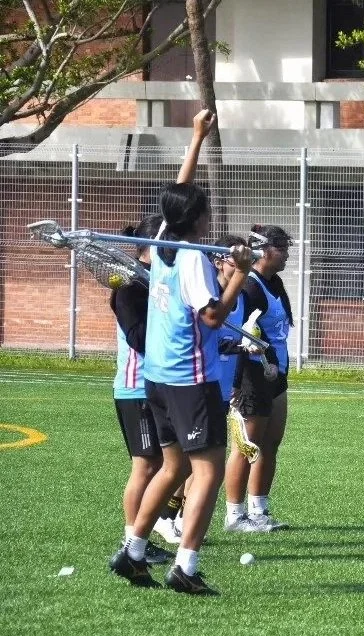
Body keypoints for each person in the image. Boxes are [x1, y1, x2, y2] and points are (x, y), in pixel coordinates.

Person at [109, 109, 255, 594]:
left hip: (156, 378)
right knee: (207, 470)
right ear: (197, 218)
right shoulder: (192, 257)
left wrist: (196, 137)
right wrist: (240, 273)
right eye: (206, 212)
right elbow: (212, 317)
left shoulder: (161, 239)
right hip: (189, 380)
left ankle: (132, 551)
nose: (211, 217)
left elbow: (177, 191)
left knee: (174, 467)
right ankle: (185, 567)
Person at [110, 216, 172, 565]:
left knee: (160, 462)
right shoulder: (130, 287)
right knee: (145, 465)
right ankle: (132, 540)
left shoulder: (158, 281)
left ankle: (141, 537)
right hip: (136, 388)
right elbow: (139, 338)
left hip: (158, 385)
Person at [224, 224, 293, 532]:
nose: (287, 254)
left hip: (276, 375)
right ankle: (234, 515)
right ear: (264, 251)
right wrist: (236, 383)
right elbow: (241, 336)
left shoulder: (274, 282)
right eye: (282, 249)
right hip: (253, 375)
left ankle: (258, 511)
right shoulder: (250, 287)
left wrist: (277, 367)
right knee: (246, 447)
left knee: (270, 444)